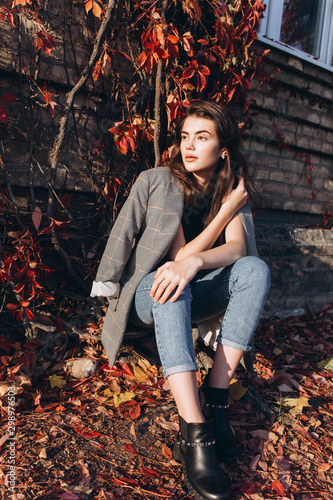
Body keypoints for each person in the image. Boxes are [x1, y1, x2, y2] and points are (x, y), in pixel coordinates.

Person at [91, 100, 271, 500]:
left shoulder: (232, 190)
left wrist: (221, 220)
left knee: (256, 271)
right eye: (185, 137)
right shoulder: (160, 181)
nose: (189, 146)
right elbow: (176, 260)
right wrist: (221, 219)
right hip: (146, 297)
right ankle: (195, 433)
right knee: (172, 280)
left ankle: (217, 398)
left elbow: (239, 252)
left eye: (201, 138)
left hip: (191, 291)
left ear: (223, 148)